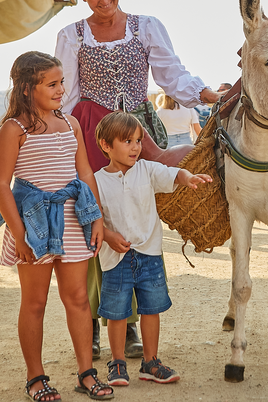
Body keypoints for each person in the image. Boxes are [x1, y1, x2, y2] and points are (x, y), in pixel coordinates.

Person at [54, 0, 221, 361]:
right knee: (93, 220)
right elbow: (68, 93)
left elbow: (171, 74)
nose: (103, 0)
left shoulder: (145, 26)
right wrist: (66, 141)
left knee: (132, 219)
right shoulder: (72, 34)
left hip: (135, 131)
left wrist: (204, 95)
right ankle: (93, 324)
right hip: (91, 128)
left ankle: (125, 322)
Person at [0, 51, 113, 401]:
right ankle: (35, 377)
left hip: (73, 219)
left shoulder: (70, 124)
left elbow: (85, 172)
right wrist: (19, 235)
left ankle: (86, 374)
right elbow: (1, 185)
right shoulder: (13, 130)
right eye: (53, 84)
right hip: (34, 225)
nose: (62, 89)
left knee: (77, 298)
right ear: (28, 88)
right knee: (35, 302)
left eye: (62, 82)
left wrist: (97, 218)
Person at [92, 111, 212, 386]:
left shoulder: (147, 170)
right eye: (127, 141)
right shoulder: (97, 181)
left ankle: (150, 362)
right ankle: (118, 363)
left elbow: (172, 173)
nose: (135, 147)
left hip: (149, 254)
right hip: (115, 258)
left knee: (151, 309)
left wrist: (188, 177)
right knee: (116, 313)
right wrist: (109, 236)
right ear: (106, 145)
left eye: (138, 140)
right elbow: (94, 219)